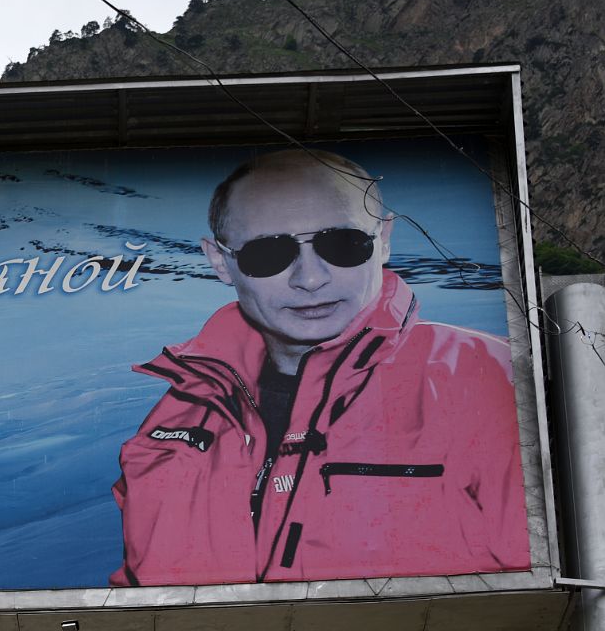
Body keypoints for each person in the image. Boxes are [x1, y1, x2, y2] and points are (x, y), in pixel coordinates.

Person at [110, 148, 530, 588]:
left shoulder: (492, 381)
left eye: (342, 244)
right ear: (220, 262)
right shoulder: (178, 417)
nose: (309, 278)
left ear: (384, 240)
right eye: (268, 253)